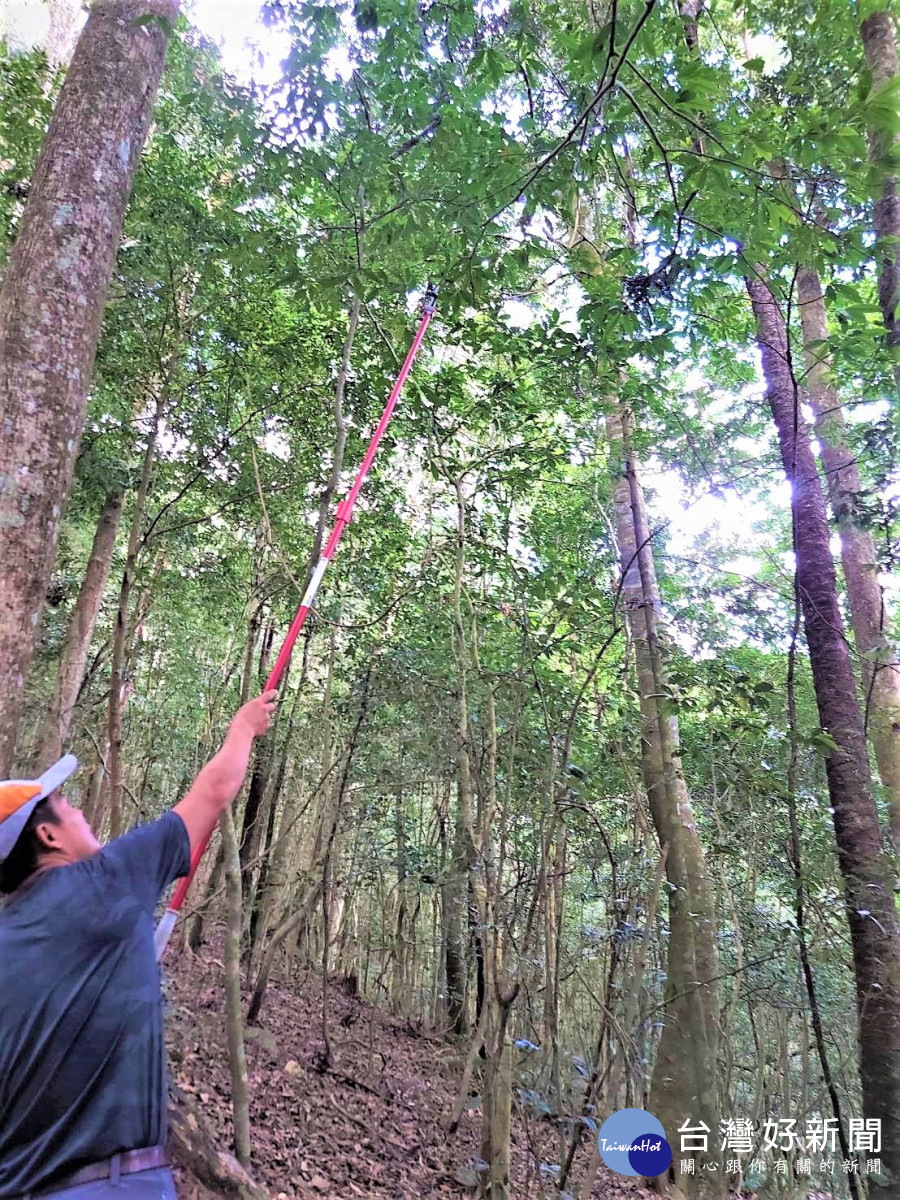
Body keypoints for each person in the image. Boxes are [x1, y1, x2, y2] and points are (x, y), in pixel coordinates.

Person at [0, 691, 277, 1199]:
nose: (80, 809)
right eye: (65, 804)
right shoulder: (106, 882)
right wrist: (243, 728)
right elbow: (214, 792)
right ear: (48, 834)